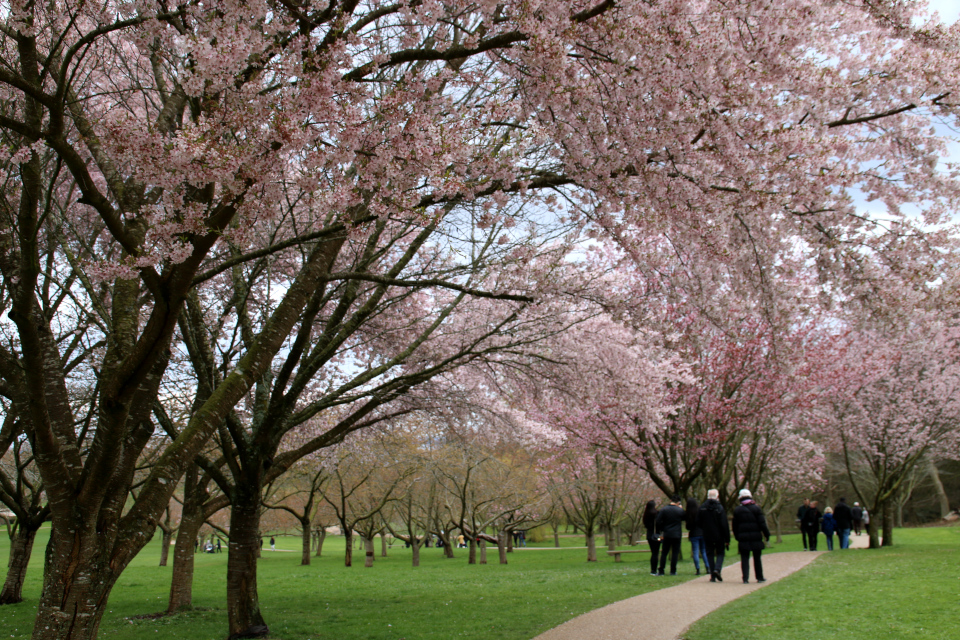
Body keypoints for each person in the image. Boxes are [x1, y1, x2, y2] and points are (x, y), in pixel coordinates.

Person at [732, 488, 770, 584]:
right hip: (756, 537)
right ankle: (759, 577)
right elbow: (762, 523)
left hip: (743, 538)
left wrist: (737, 536)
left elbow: (734, 526)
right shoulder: (756, 509)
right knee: (757, 558)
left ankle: (745, 578)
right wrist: (766, 534)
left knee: (744, 558)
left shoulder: (737, 510)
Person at [698, 489, 730, 583]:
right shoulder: (719, 508)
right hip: (719, 534)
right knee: (720, 552)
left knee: (710, 553)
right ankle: (717, 569)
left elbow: (698, 521)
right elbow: (724, 524)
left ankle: (712, 575)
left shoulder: (702, 507)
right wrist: (727, 538)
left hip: (707, 534)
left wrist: (704, 528)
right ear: (717, 496)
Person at [655, 494, 685, 576]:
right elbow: (685, 518)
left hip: (667, 533)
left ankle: (661, 570)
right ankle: (673, 570)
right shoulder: (680, 511)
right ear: (678, 502)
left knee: (664, 552)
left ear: (670, 501)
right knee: (675, 553)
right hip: (677, 534)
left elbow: (658, 521)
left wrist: (661, 529)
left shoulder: (664, 510)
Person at [685, 498, 710, 576]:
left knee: (695, 551)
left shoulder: (688, 514)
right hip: (702, 533)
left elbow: (688, 526)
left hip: (694, 534)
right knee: (703, 551)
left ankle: (698, 569)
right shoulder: (700, 511)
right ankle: (708, 567)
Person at [642, 499, 661, 576]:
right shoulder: (656, 514)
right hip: (656, 535)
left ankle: (653, 570)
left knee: (653, 553)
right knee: (656, 553)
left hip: (649, 535)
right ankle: (655, 570)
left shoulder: (646, 515)